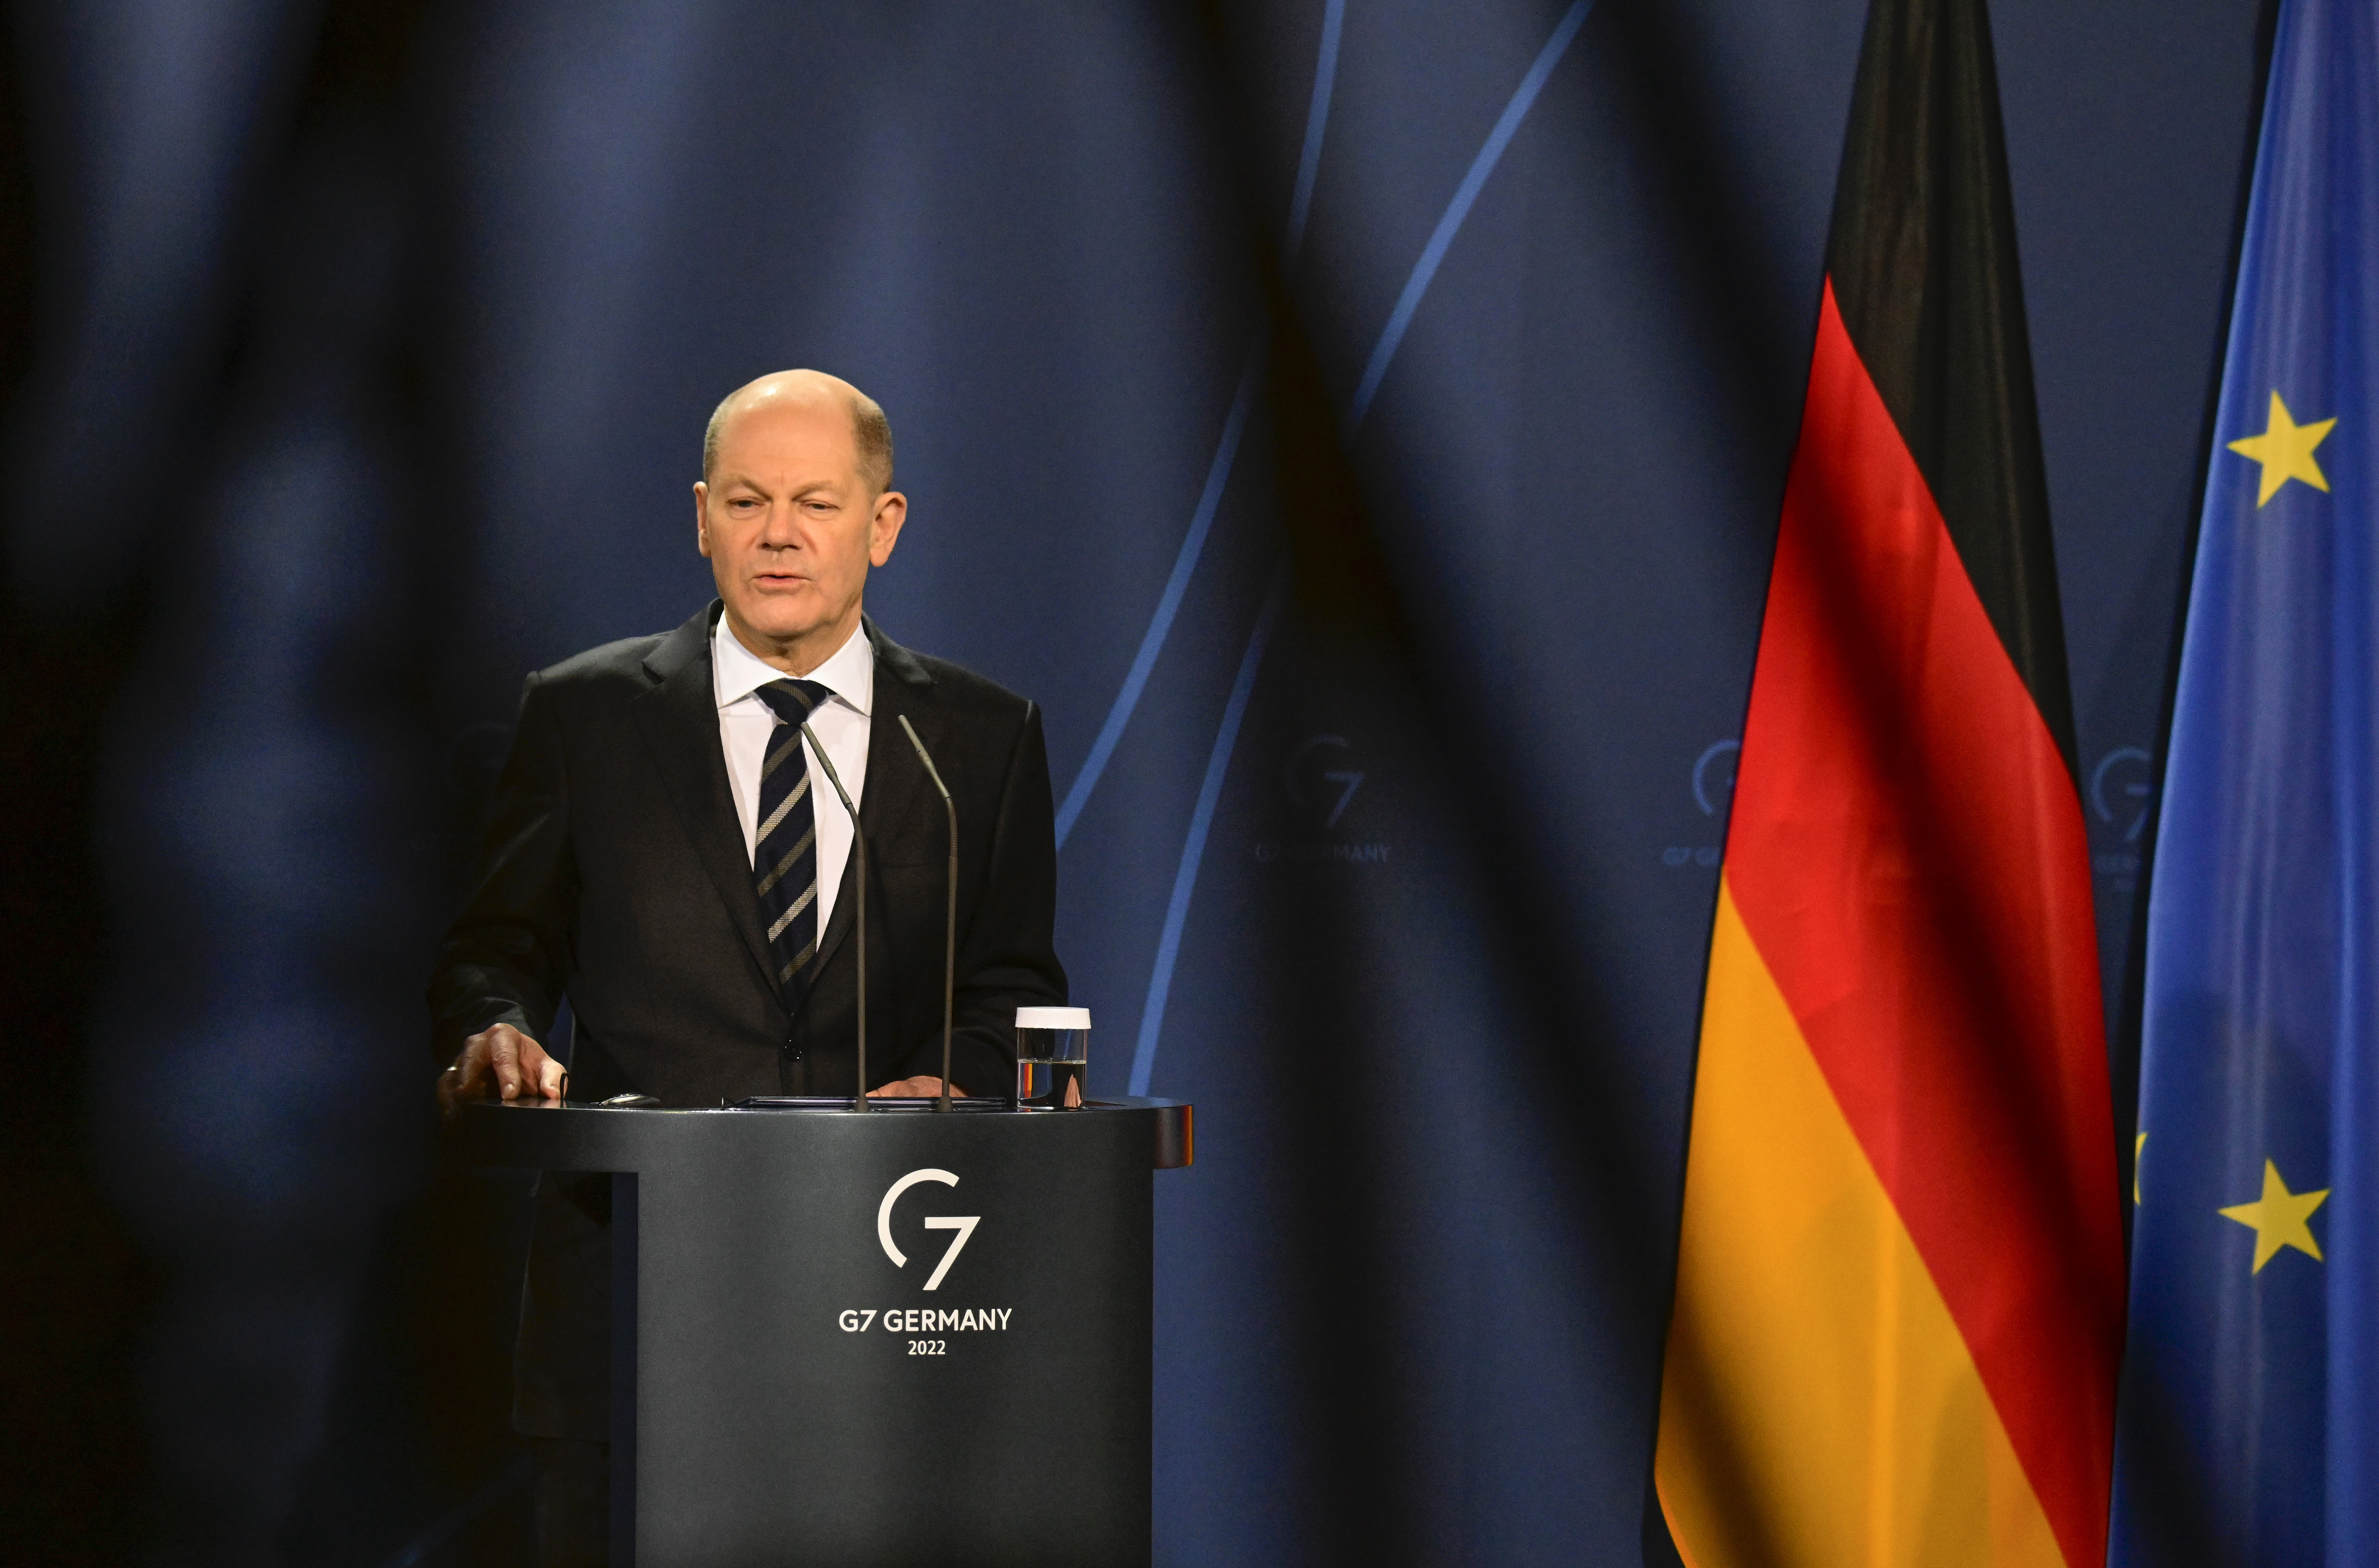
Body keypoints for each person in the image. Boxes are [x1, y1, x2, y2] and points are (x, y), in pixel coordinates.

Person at [425, 369, 1067, 1565]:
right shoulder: (584, 715)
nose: (778, 534)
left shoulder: (977, 743)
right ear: (701, 517)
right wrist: (496, 1026)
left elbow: (1012, 986)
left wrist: (957, 1080)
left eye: (816, 503)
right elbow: (496, 949)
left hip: (887, 1314)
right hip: (628, 1316)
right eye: (748, 499)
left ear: (883, 525)